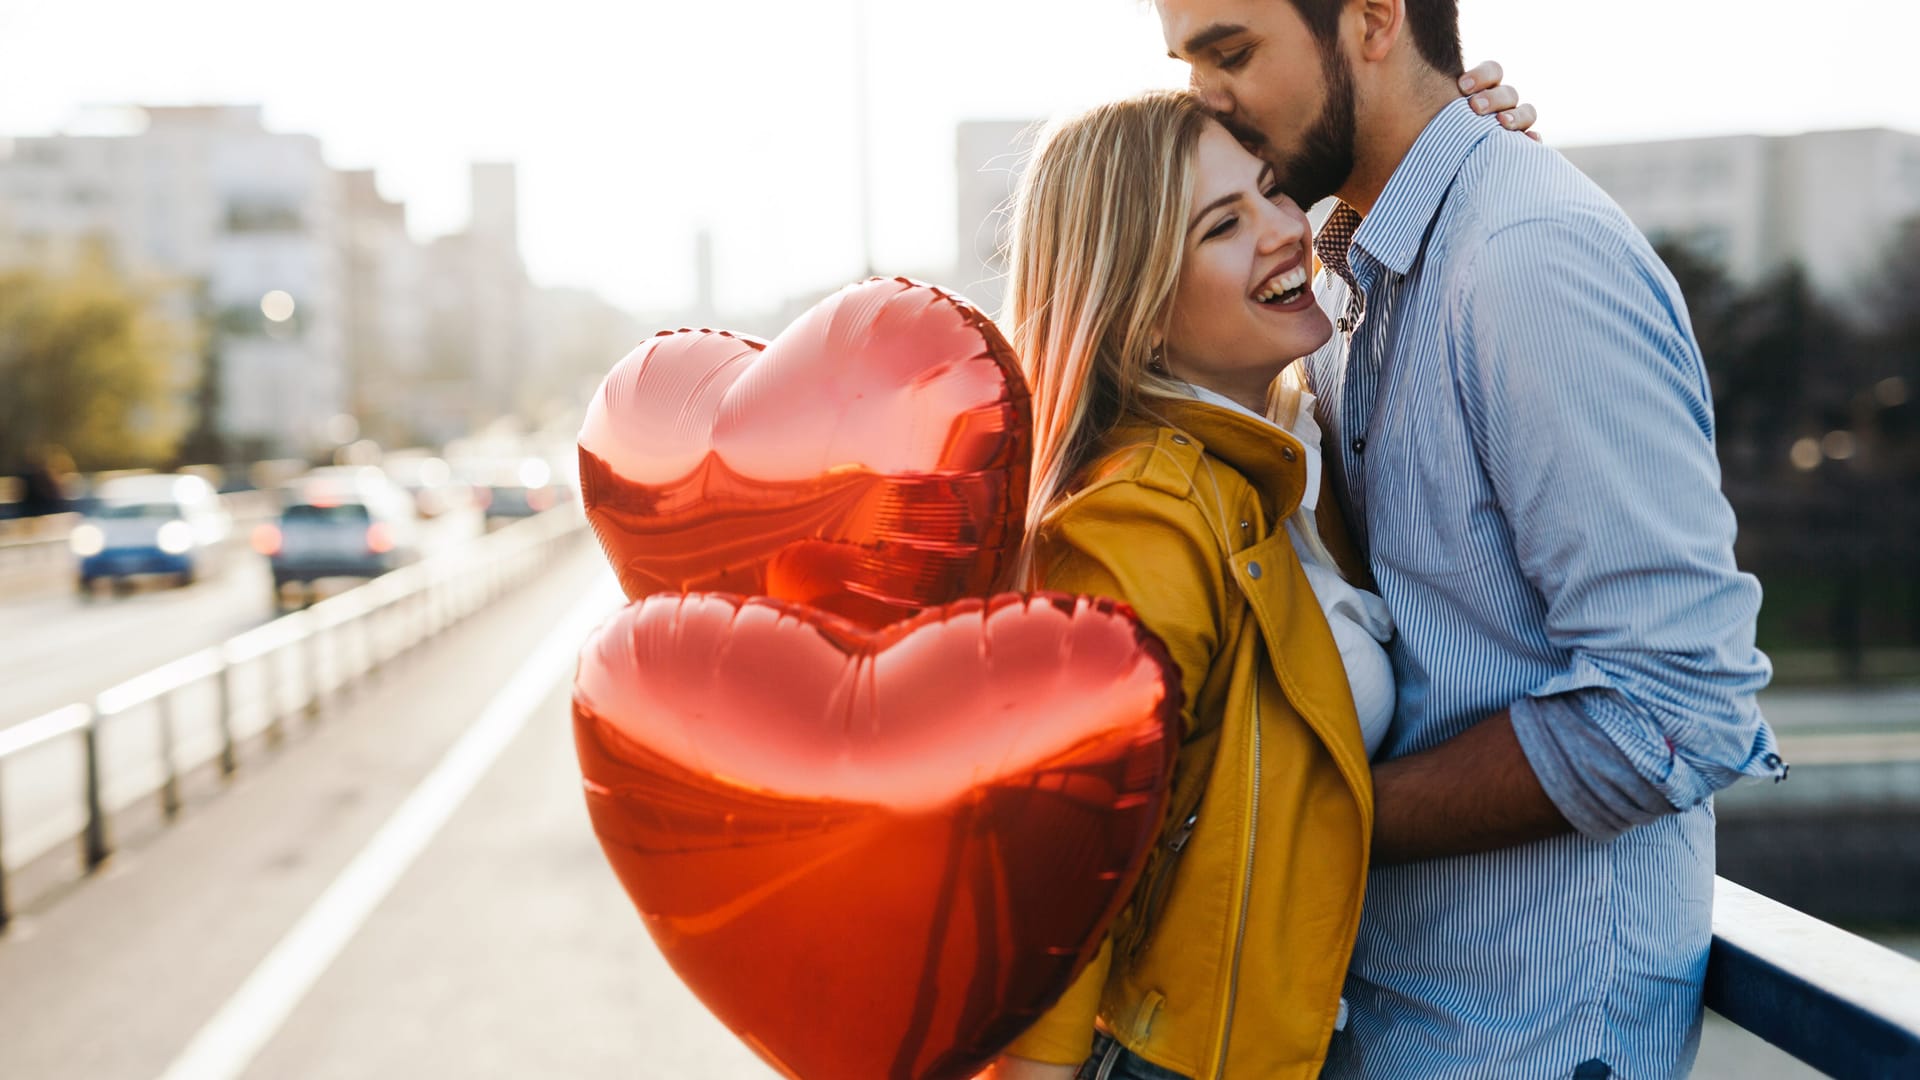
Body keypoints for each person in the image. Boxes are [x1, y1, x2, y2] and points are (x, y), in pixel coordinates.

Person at [1152, 1, 1785, 1077]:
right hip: (1393, 1018)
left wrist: (1308, 821)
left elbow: (1679, 705)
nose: (1206, 98)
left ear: (1373, 18)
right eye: (1189, 63)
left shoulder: (1526, 260)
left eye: (1232, 53)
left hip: (1528, 1039)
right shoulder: (1355, 270)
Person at [981, 70, 1536, 1080]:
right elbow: (1058, 870)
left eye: (1275, 189)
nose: (1286, 228)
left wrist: (1470, 167)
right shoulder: (1141, 520)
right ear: (1139, 308)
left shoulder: (1290, 447)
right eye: (1220, 225)